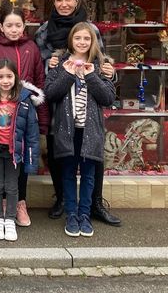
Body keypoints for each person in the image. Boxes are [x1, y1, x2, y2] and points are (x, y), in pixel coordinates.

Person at [35, 0, 120, 226]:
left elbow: (102, 64)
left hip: (88, 105)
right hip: (59, 103)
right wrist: (53, 69)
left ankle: (94, 203)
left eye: (68, 0)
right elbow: (44, 74)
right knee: (58, 153)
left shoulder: (91, 29)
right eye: (59, 0)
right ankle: (62, 199)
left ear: (77, 1)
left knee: (93, 156)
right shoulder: (43, 31)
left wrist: (109, 72)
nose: (63, 4)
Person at [0, 4, 49, 227]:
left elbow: (40, 81)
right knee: (1, 162)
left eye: (18, 25)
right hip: (1, 110)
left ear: (24, 26)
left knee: (22, 158)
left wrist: (43, 120)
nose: (13, 29)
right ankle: (1, 206)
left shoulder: (32, 47)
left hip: (25, 112)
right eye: (8, 25)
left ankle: (20, 203)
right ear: (0, 26)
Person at [44, 22, 116, 237]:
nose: (82, 42)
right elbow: (50, 94)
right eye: (78, 38)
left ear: (92, 41)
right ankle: (71, 215)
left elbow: (108, 98)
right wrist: (67, 74)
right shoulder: (59, 64)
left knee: (88, 175)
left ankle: (85, 215)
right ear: (71, 40)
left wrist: (91, 75)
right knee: (67, 174)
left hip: (90, 131)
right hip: (67, 131)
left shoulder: (101, 64)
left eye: (86, 39)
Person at [0, 59, 41, 242]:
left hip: (15, 152)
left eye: (9, 76)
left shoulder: (24, 100)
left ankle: (10, 220)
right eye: (1, 76)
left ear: (16, 78)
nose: (5, 80)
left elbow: (32, 133)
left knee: (12, 187)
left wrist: (31, 159)